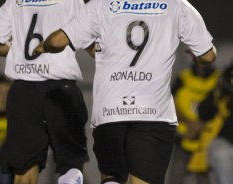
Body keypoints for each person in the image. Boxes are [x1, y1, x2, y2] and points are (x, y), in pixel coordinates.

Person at [33, 0, 217, 183]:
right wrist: (198, 58)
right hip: (152, 113)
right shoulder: (177, 5)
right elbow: (208, 55)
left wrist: (44, 46)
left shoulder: (101, 4)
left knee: (112, 176)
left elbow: (57, 41)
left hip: (111, 111)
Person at [0, 0, 89, 184]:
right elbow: (91, 43)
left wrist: (18, 52)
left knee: (24, 169)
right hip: (60, 89)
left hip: (23, 92)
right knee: (71, 164)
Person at [166, 54, 220, 184]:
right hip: (184, 135)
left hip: (209, 139)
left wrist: (200, 127)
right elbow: (168, 103)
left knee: (206, 178)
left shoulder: (219, 79)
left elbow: (221, 107)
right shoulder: (183, 78)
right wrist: (189, 124)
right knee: (176, 176)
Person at [198, 62, 233, 184]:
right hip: (225, 143)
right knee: (221, 153)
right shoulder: (224, 88)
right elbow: (203, 113)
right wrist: (219, 89)